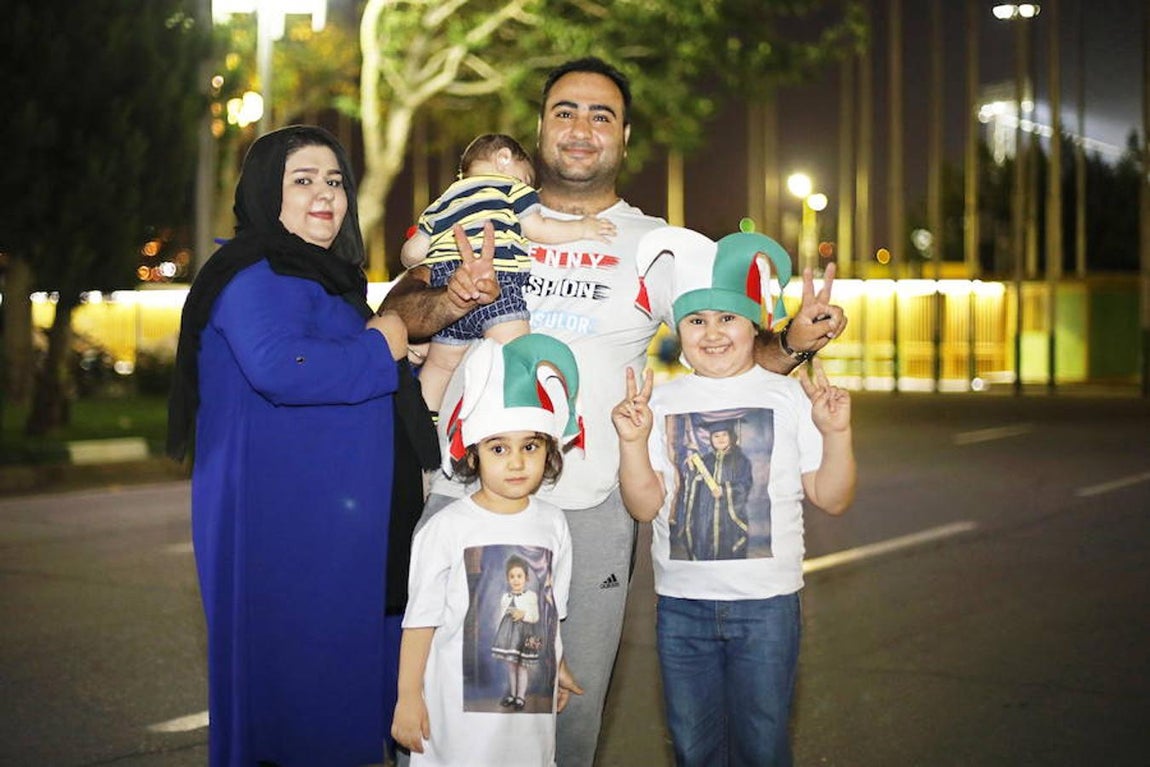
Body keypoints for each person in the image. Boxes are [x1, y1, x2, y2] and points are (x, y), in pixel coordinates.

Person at [381, 57, 847, 766]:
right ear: (540, 128)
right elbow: (401, 309)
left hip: (590, 503)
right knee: (458, 704)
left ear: (625, 138)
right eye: (565, 110)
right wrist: (454, 300)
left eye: (602, 115)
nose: (581, 128)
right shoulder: (489, 210)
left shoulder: (662, 246)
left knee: (570, 705)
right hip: (473, 491)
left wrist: (794, 342)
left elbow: (727, 356)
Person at [167, 125, 437, 766]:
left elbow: (357, 365)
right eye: (303, 180)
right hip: (289, 536)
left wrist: (401, 348)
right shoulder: (253, 273)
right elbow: (282, 367)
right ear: (268, 191)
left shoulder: (324, 279)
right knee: (300, 706)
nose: (326, 195)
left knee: (339, 696)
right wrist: (382, 344)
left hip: (339, 532)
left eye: (335, 181)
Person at [611, 224, 857, 766]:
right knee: (694, 748)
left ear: (756, 325)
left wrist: (836, 432)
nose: (713, 332)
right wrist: (633, 442)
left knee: (762, 745)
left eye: (728, 318)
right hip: (681, 608)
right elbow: (644, 506)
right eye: (696, 320)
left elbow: (832, 497)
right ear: (678, 330)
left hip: (766, 606)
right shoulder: (663, 403)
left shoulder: (790, 396)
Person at [392, 333, 585, 766]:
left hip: (527, 721)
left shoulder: (553, 523)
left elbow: (552, 611)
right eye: (499, 448)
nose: (516, 462)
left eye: (530, 446)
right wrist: (408, 698)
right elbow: (420, 622)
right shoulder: (446, 529)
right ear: (475, 454)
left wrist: (559, 665)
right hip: (459, 724)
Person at [400, 133, 616, 411]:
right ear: (503, 158)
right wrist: (583, 228)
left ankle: (424, 426)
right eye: (526, 178)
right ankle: (515, 416)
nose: (526, 184)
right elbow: (537, 228)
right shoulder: (509, 188)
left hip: (450, 291)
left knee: (440, 366)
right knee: (514, 357)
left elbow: (413, 253)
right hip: (496, 283)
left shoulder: (443, 201)